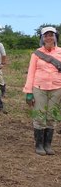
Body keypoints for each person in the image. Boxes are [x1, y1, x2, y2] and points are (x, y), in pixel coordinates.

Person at [23, 26, 61, 155]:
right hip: (39, 88)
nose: (49, 37)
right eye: (46, 35)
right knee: (39, 116)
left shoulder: (60, 52)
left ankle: (47, 145)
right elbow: (31, 73)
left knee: (52, 116)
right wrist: (29, 92)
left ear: (55, 37)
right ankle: (39, 145)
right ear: (42, 38)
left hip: (57, 88)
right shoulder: (36, 54)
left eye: (51, 35)